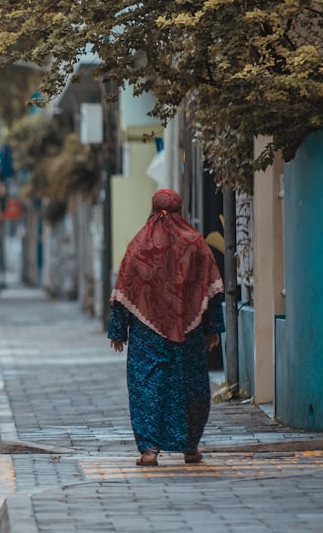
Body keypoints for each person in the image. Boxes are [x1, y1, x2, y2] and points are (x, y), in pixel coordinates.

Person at [107, 188, 225, 467]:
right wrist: (212, 329)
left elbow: (125, 287)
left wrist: (118, 330)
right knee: (191, 387)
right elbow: (211, 291)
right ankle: (190, 449)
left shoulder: (139, 245)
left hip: (147, 335)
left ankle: (149, 451)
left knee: (147, 386)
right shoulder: (195, 243)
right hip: (189, 333)